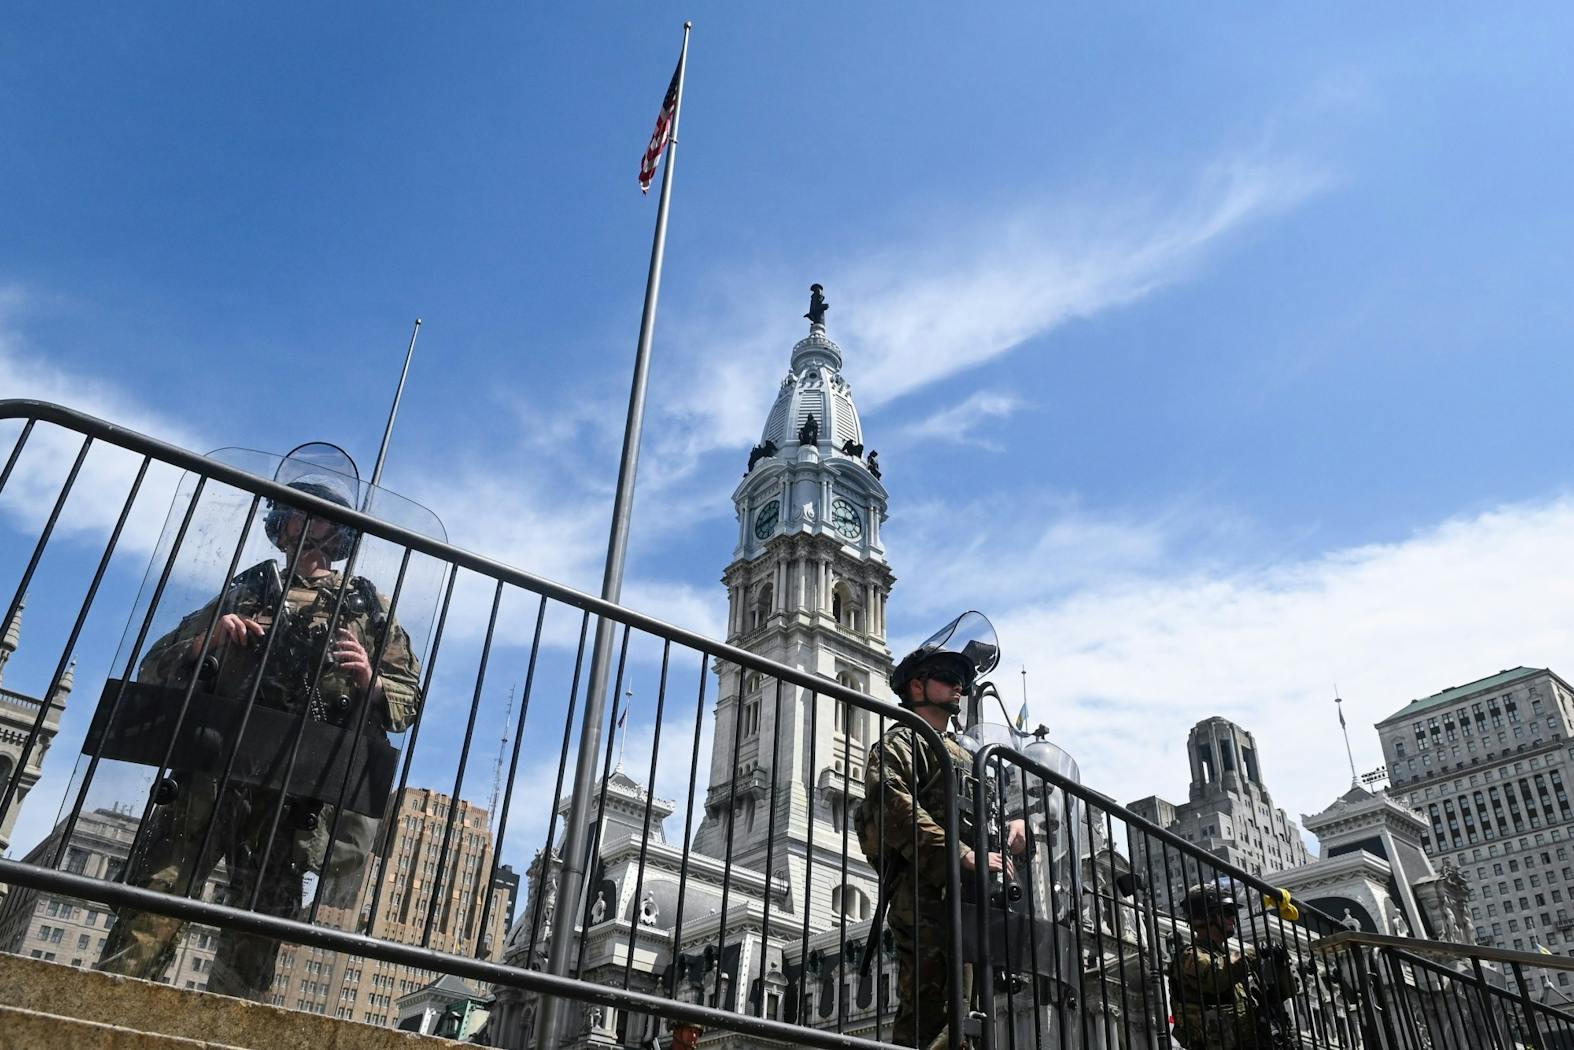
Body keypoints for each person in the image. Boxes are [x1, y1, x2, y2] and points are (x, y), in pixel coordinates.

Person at [97, 465, 421, 1000]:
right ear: (281, 523)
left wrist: (369, 680)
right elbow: (156, 666)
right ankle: (113, 1008)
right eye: (295, 514)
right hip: (215, 761)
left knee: (260, 923)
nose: (305, 527)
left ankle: (230, 1024)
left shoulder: (366, 606)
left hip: (298, 784)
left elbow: (409, 699)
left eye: (319, 518)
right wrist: (208, 644)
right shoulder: (248, 589)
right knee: (157, 894)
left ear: (339, 535)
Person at [860, 612, 1026, 1049]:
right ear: (918, 687)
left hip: (973, 900)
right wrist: (960, 854)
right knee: (930, 1016)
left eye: (962, 680)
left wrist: (1011, 828)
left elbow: (979, 815)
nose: (960, 686)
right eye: (949, 677)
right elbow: (892, 805)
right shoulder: (902, 742)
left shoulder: (964, 754)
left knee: (971, 1017)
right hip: (927, 898)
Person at [1169, 884, 1292, 1049]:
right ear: (1205, 916)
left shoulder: (1233, 959)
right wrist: (1257, 952)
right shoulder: (1188, 957)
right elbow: (1215, 976)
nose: (1233, 918)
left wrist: (1280, 963)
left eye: (1233, 912)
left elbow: (1284, 993)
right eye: (1227, 912)